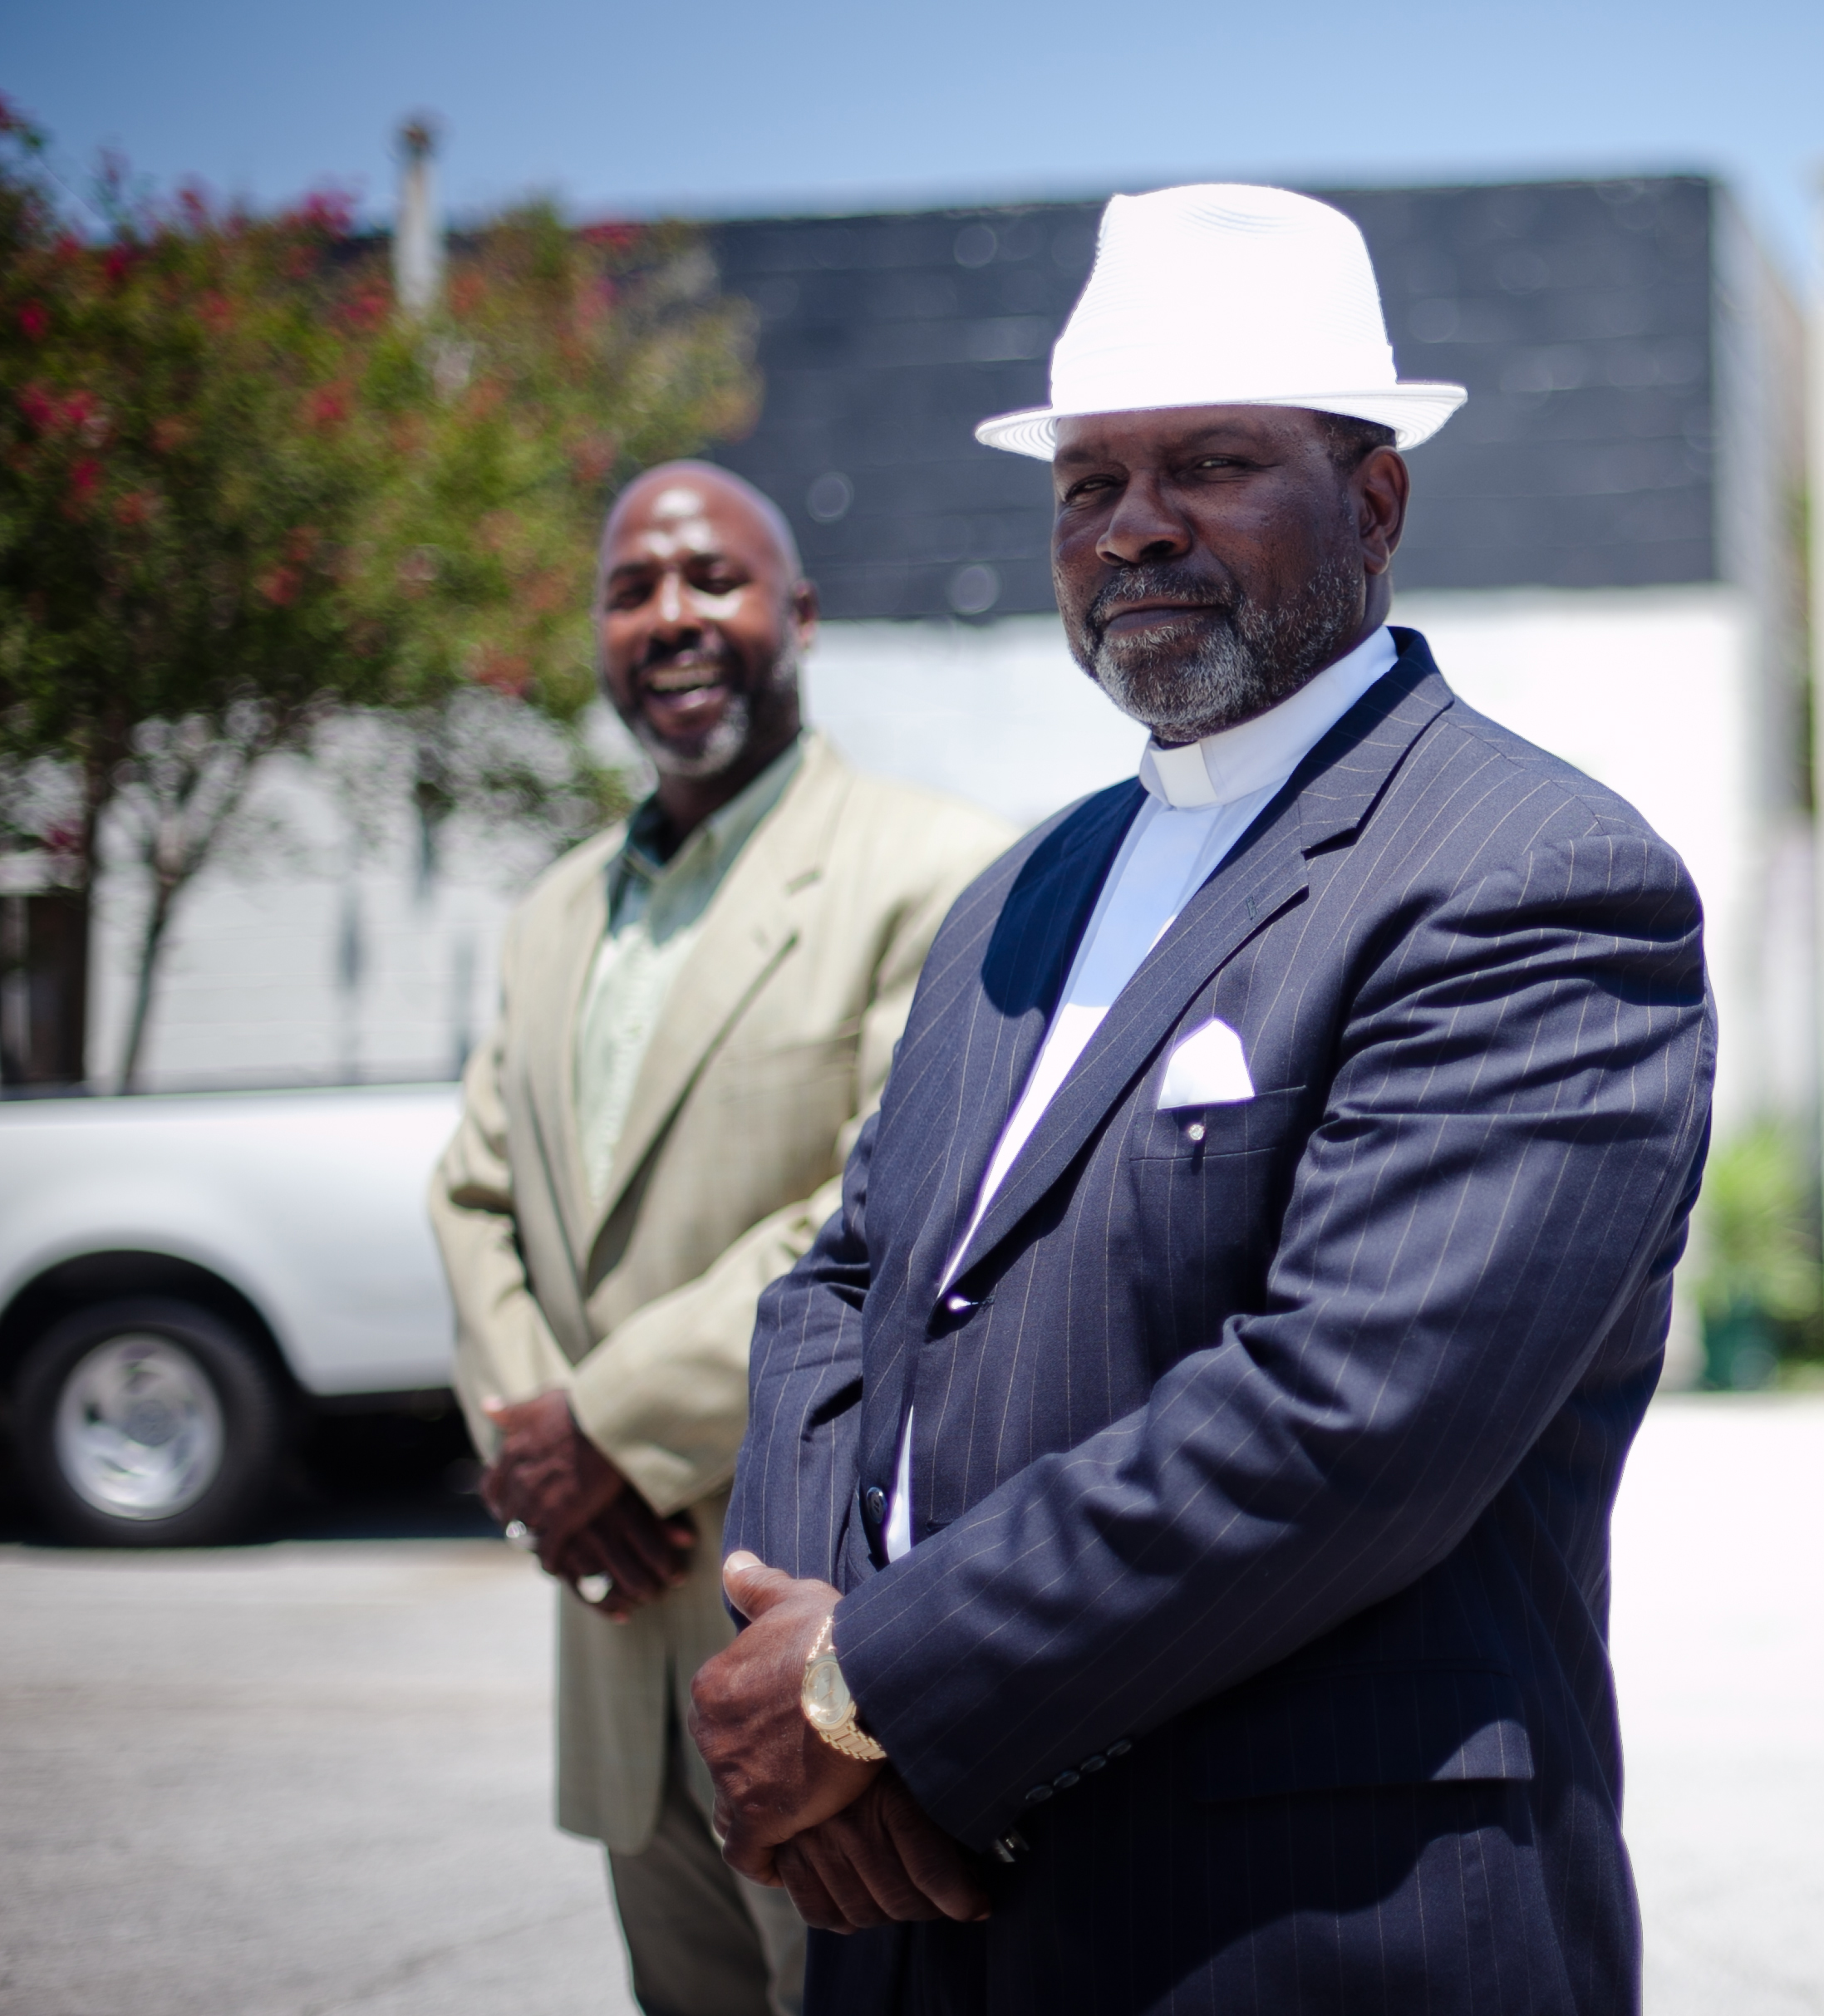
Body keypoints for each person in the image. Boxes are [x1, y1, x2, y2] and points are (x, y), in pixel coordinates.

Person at [691, 184, 1713, 2014]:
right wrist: (799, 1634)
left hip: (1300, 1921)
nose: (1134, 525)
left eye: (1212, 462)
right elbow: (844, 1285)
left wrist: (879, 1684)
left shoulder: (1532, 874)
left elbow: (1345, 1424)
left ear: (1376, 497)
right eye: (1090, 482)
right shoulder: (1021, 892)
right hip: (920, 1912)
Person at [430, 462, 1011, 2016]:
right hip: (618, 1620)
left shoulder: (935, 870)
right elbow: (475, 1193)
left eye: (713, 580)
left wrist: (607, 1424)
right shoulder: (555, 911)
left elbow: (887, 1206)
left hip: (811, 1619)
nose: (671, 617)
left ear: (801, 616)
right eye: (632, 589)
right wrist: (534, 1446)